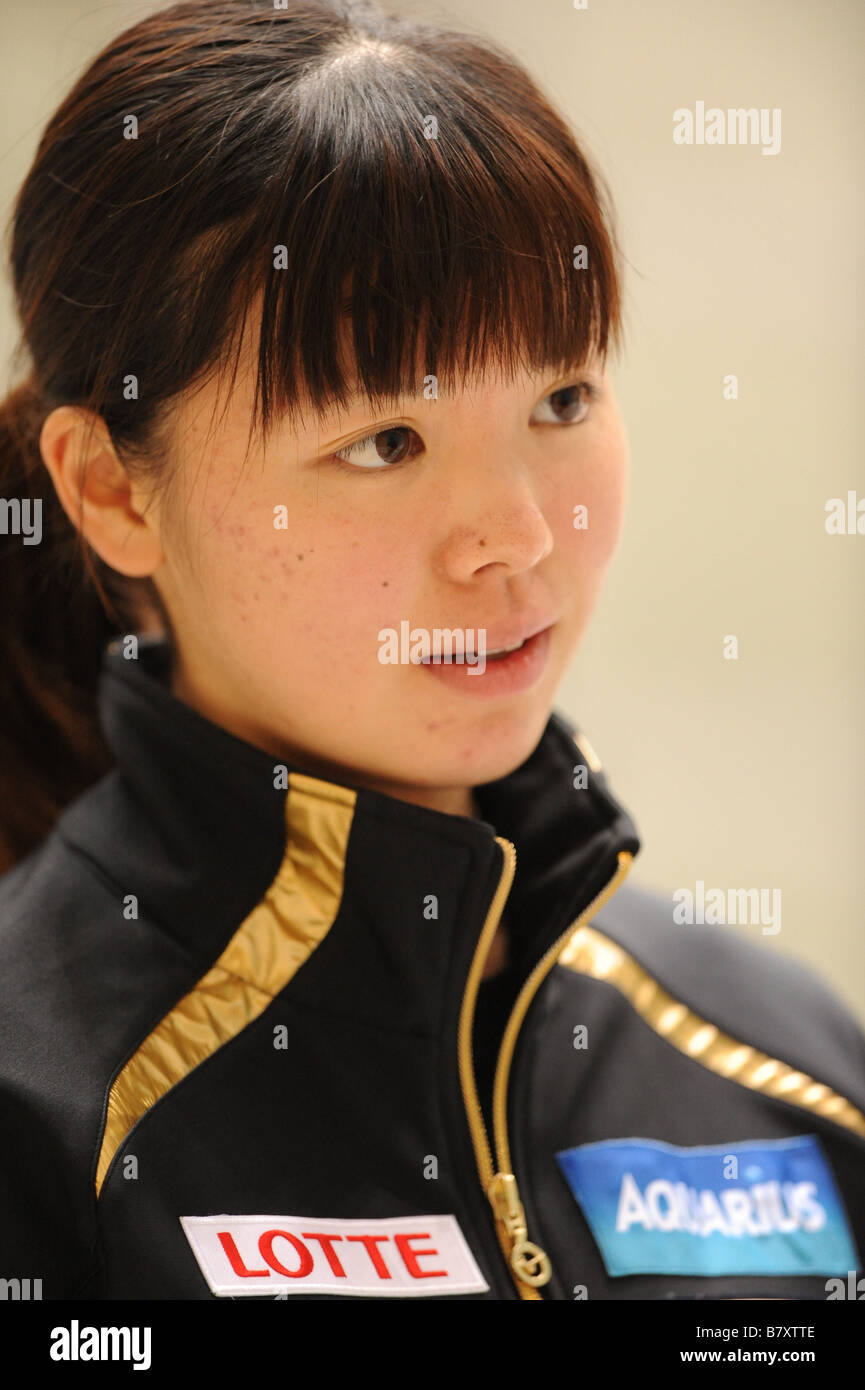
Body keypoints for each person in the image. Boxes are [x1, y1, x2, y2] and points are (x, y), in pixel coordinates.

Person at [0, 0, 862, 1303]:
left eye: (560, 398)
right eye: (382, 441)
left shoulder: (782, 1063)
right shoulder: (41, 1120)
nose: (515, 539)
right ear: (112, 489)